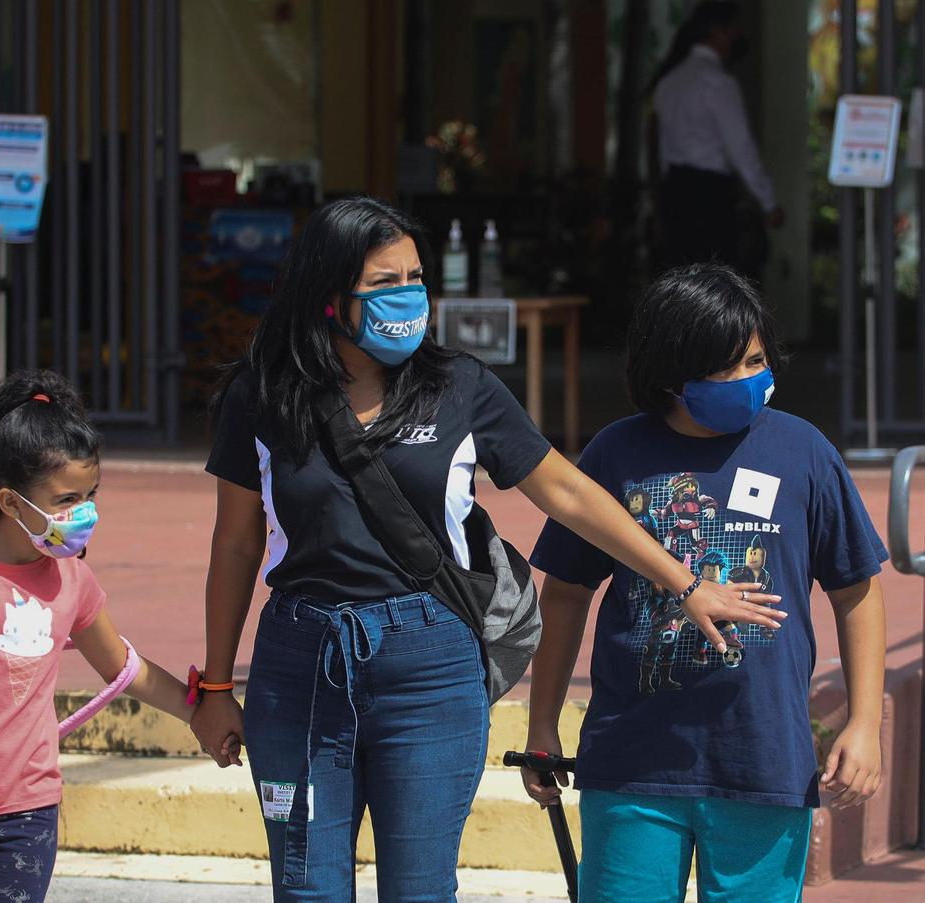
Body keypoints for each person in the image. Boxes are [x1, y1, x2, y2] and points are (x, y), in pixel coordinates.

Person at [190, 197, 781, 901]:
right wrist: (217, 687)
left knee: (421, 889)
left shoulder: (459, 386)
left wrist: (684, 581)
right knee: (306, 888)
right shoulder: (263, 392)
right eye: (384, 283)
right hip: (301, 667)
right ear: (327, 296)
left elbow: (566, 491)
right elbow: (235, 540)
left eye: (415, 277)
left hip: (430, 669)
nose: (408, 296)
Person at [523, 264, 888, 902]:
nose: (749, 380)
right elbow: (566, 593)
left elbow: (857, 591)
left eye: (755, 360)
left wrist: (864, 724)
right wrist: (542, 723)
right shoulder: (614, 454)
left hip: (764, 763)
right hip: (632, 764)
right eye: (726, 368)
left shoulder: (804, 452)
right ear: (671, 373)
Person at [0, 370, 227, 903]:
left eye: (90, 495)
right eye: (67, 499)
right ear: (11, 503)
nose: (83, 513)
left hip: (28, 816)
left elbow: (124, 668)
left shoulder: (73, 579)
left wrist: (201, 711)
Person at [650, 1, 784, 270]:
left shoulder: (668, 82)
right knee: (715, 287)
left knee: (681, 283)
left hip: (676, 191)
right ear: (718, 32)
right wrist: (768, 203)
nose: (736, 35)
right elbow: (741, 149)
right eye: (733, 28)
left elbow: (663, 148)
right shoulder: (718, 83)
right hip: (709, 197)